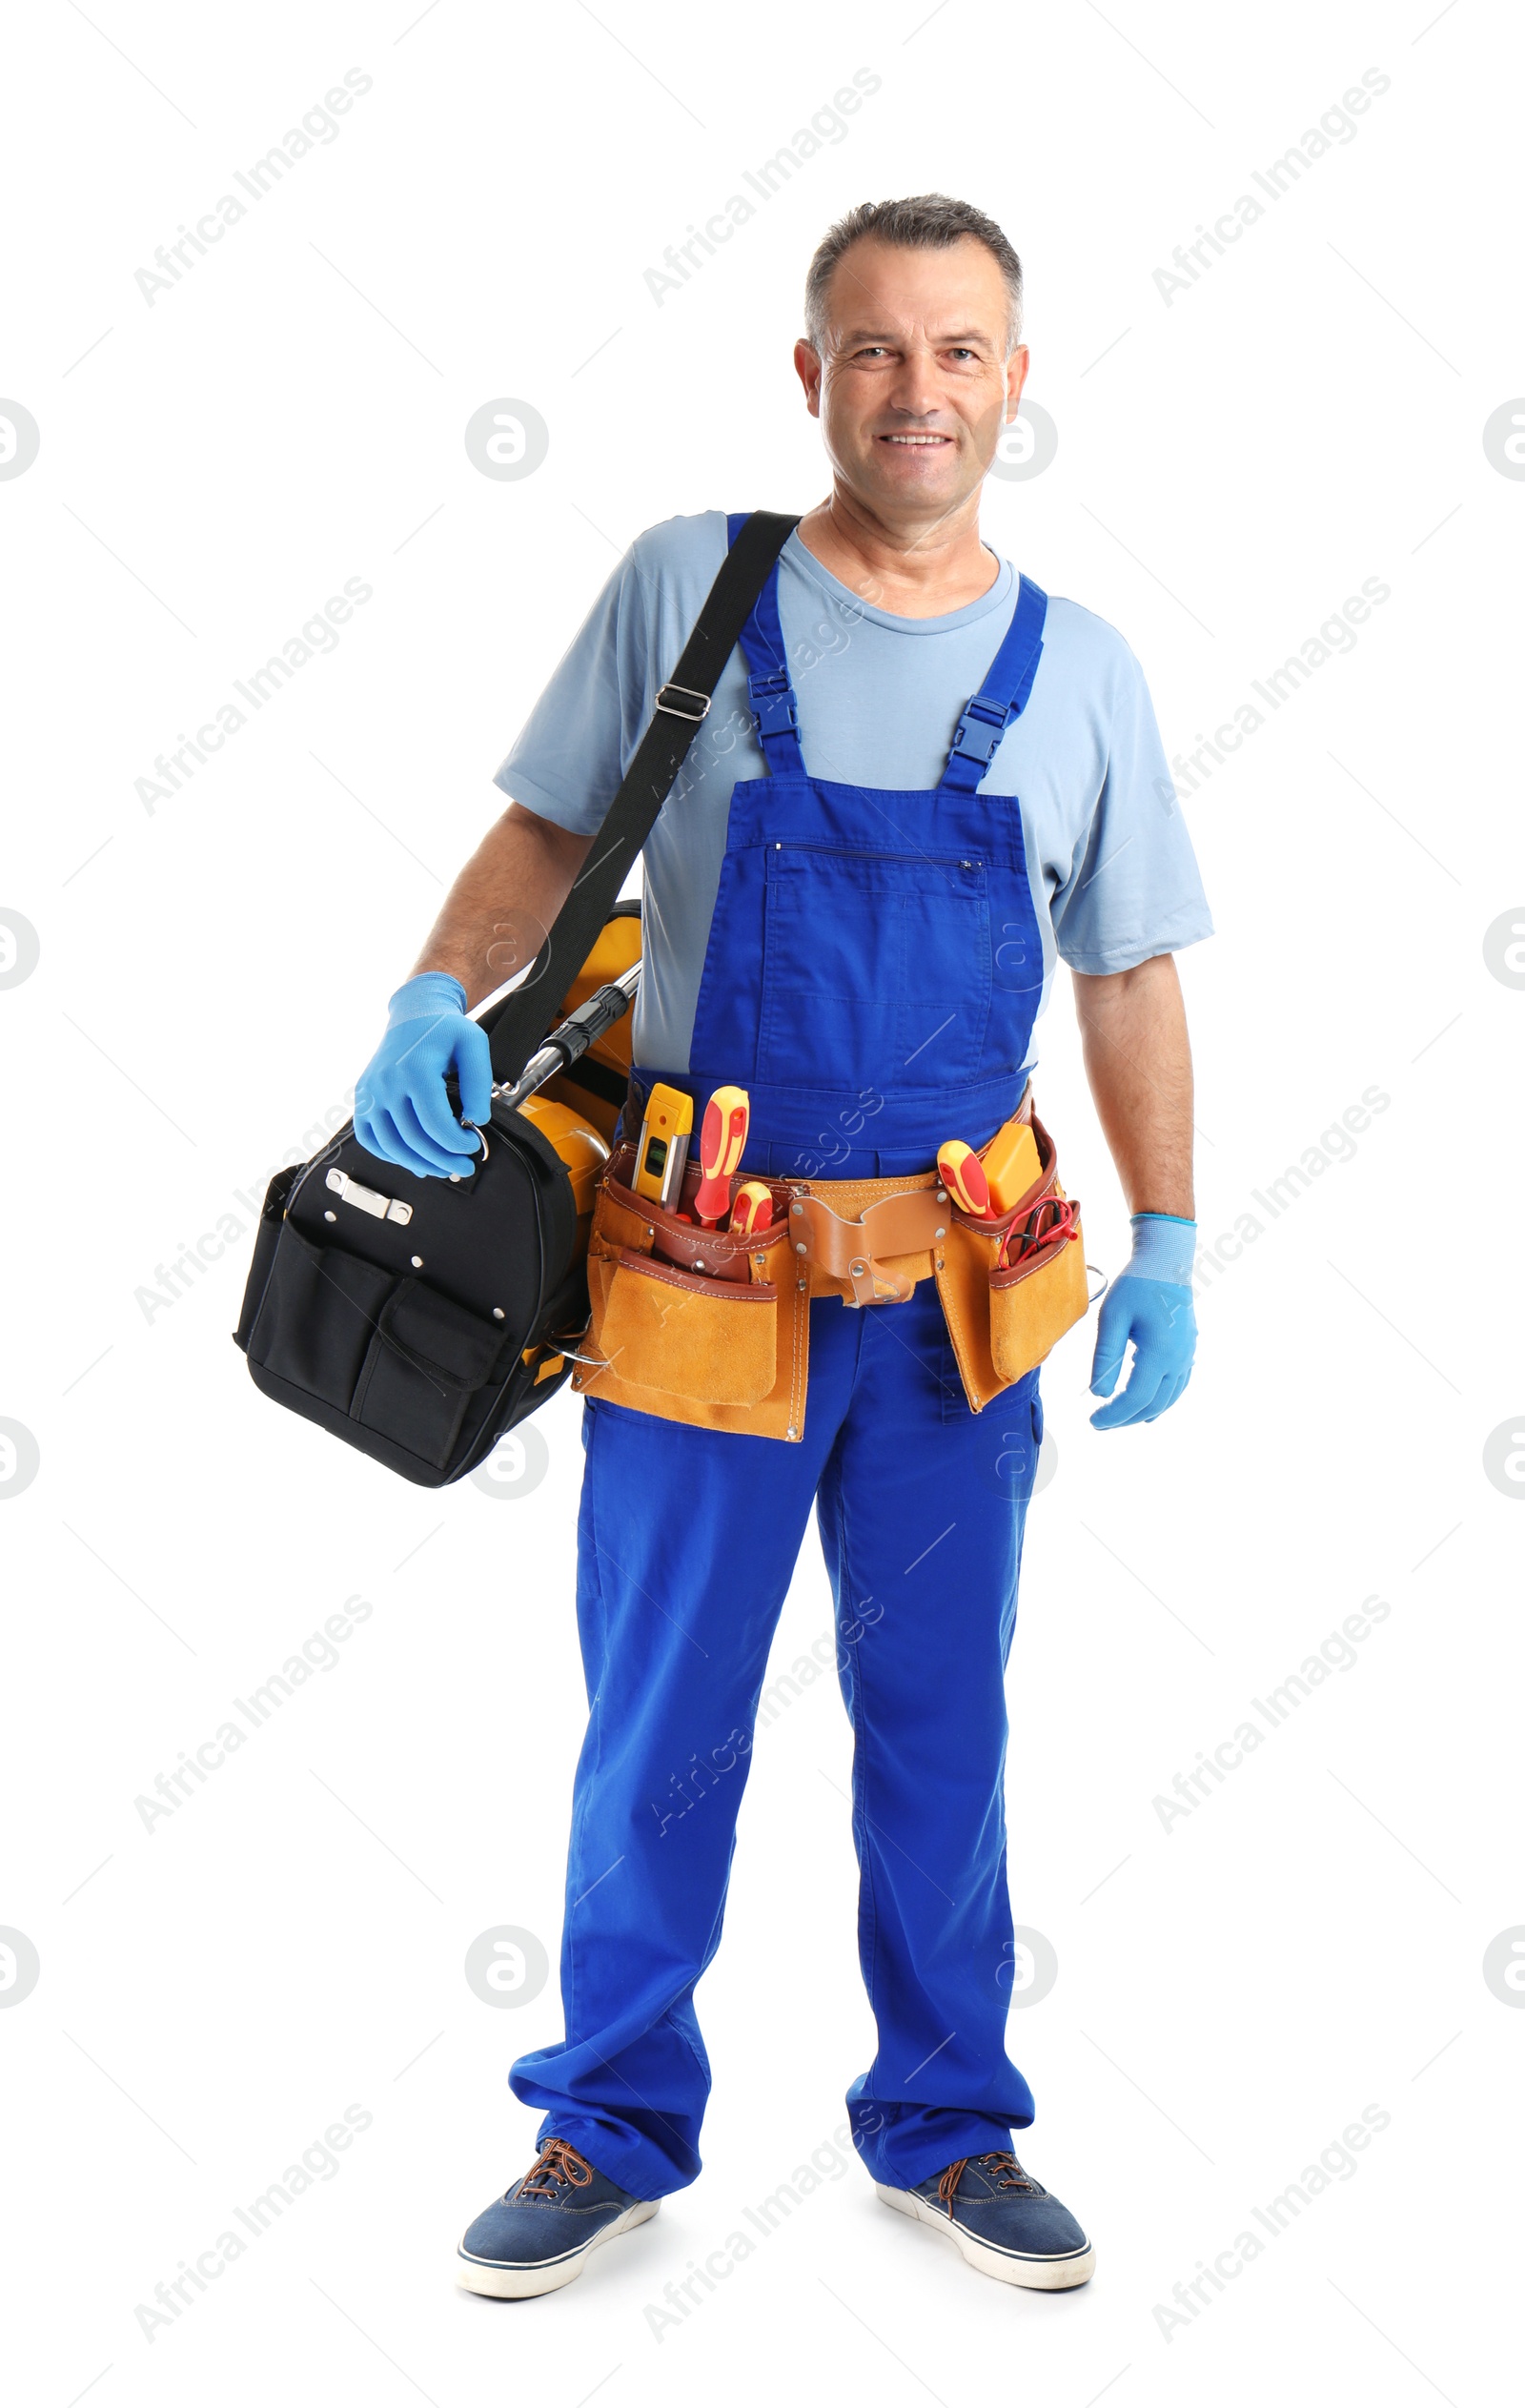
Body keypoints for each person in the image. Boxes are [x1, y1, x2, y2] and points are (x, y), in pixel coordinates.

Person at [354, 194, 1211, 2300]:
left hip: (953, 1305)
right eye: (871, 349)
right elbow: (554, 830)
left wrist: (1172, 1232)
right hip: (693, 1284)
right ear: (807, 374)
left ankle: (944, 2119)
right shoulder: (693, 583)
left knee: (942, 1723)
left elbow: (1124, 978)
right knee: (661, 1721)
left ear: (1014, 379)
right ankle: (606, 2123)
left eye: (956, 351)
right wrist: (420, 1003)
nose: (914, 389)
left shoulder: (1083, 674)